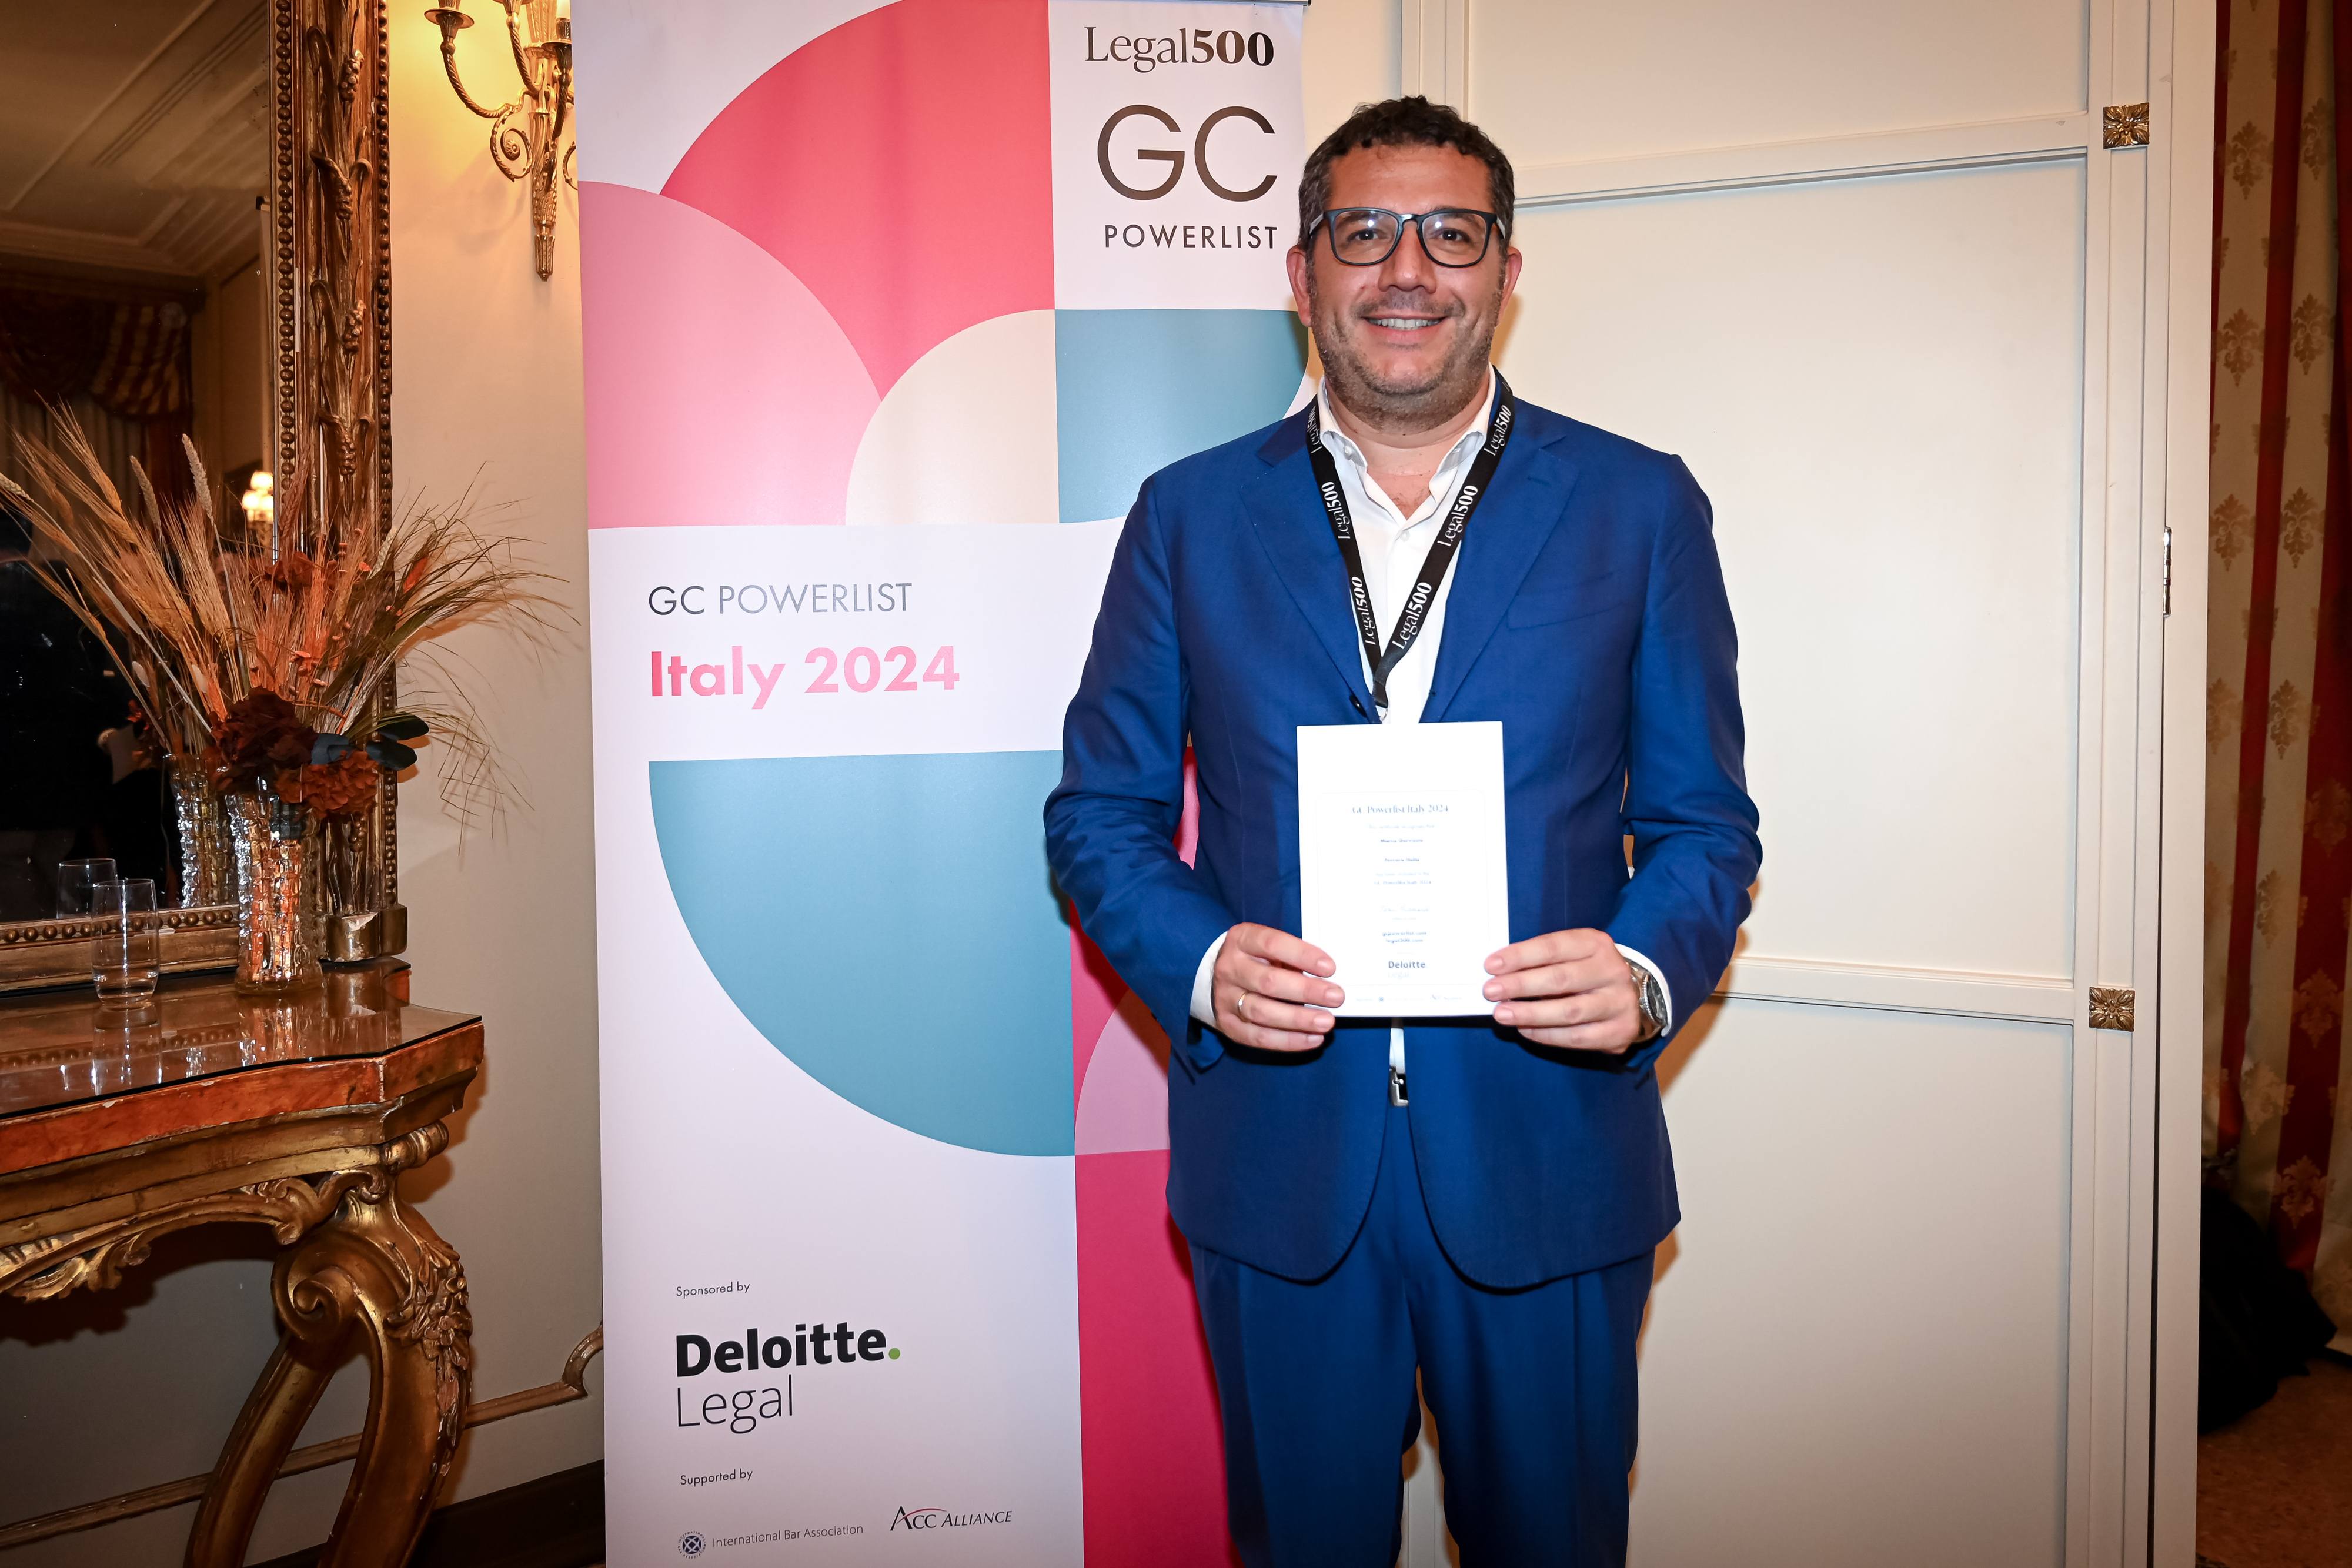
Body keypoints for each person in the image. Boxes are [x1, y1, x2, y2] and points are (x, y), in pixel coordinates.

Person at [1045, 96, 1760, 1567]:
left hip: (1548, 1152)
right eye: (1363, 232)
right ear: (1301, 271)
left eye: (1451, 233)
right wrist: (1202, 964)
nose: (1407, 270)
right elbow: (1100, 813)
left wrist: (1638, 970)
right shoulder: (1185, 515)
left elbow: (1703, 824)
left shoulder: (1636, 506)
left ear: (1506, 270)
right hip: (1276, 1161)